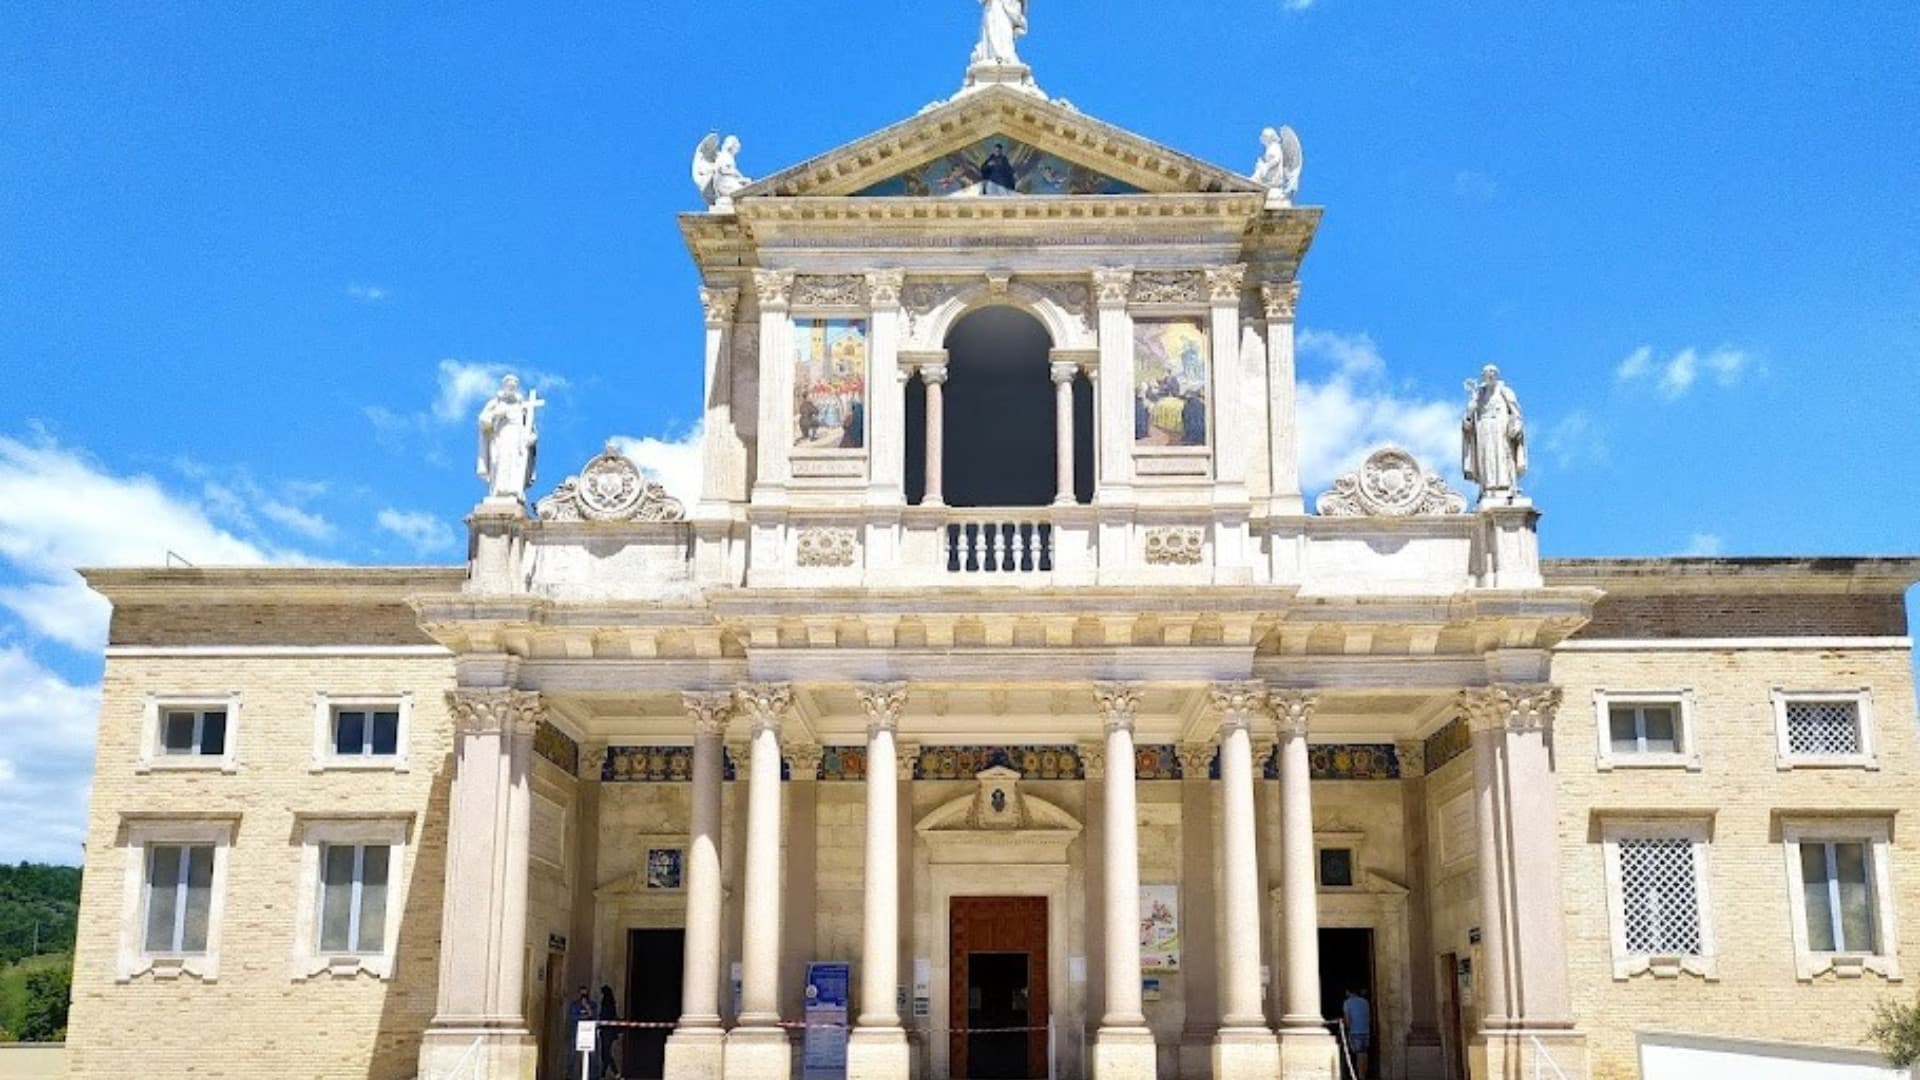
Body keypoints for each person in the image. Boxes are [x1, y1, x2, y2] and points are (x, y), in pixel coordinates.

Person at [1342, 986, 1372, 1078]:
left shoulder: (1347, 1003)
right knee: (1364, 1054)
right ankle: (1364, 1075)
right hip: (1366, 1032)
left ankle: (1360, 1076)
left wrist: (1347, 1030)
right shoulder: (1365, 1002)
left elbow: (1347, 1019)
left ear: (1348, 992)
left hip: (1355, 1032)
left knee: (1359, 1055)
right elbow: (1368, 1016)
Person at [565, 986, 595, 1080]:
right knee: (572, 1055)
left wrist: (587, 1008)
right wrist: (586, 1016)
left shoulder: (592, 1004)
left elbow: (594, 1016)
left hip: (589, 1034)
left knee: (590, 1056)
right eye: (582, 994)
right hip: (576, 1032)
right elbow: (574, 1017)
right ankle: (570, 1076)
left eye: (585, 994)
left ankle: (591, 1076)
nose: (584, 996)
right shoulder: (575, 1005)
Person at [597, 985, 622, 1078]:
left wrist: (600, 1027)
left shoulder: (606, 1003)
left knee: (606, 1054)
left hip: (606, 1031)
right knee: (606, 1054)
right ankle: (606, 1074)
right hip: (610, 1031)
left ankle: (613, 1073)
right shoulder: (611, 1003)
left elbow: (604, 1017)